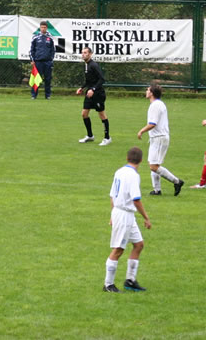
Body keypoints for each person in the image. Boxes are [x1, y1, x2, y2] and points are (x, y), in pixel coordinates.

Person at [104, 147, 151, 293]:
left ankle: (130, 280)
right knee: (118, 250)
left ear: (127, 157)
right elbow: (136, 200)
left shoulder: (119, 171)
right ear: (141, 160)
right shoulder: (133, 176)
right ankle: (108, 284)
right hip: (124, 214)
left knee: (139, 245)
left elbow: (112, 195)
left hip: (123, 213)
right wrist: (146, 217)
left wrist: (112, 214)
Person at [137, 83, 184, 196]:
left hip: (159, 138)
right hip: (157, 138)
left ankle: (177, 181)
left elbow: (153, 123)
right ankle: (157, 190)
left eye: (148, 90)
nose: (146, 91)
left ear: (152, 93)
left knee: (154, 166)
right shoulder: (158, 104)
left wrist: (141, 131)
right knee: (154, 163)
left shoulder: (155, 105)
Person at [76, 46, 111, 146]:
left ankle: (107, 137)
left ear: (90, 54)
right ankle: (90, 136)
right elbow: (88, 81)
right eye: (82, 52)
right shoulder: (86, 65)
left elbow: (101, 79)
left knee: (102, 115)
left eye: (85, 52)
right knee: (84, 114)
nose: (83, 54)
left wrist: (93, 89)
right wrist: (82, 88)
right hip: (89, 94)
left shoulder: (94, 65)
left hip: (98, 94)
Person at [29, 20, 55, 100]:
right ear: (40, 28)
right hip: (38, 62)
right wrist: (32, 60)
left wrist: (51, 59)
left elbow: (53, 50)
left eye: (44, 27)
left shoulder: (50, 38)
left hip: (47, 62)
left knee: (48, 79)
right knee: (36, 79)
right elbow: (31, 50)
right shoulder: (35, 37)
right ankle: (34, 95)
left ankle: (47, 95)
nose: (43, 29)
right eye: (42, 27)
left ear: (47, 28)